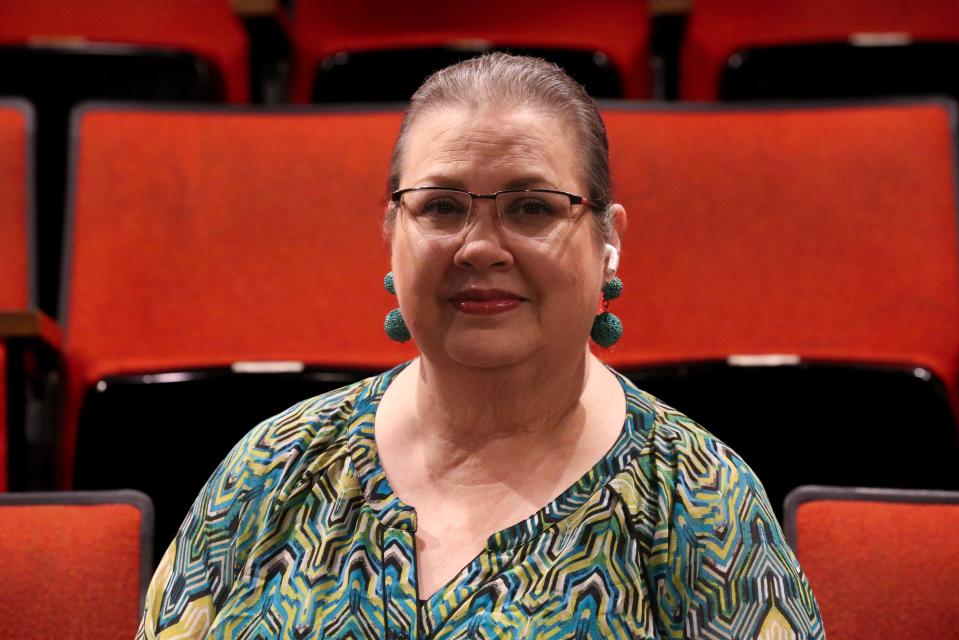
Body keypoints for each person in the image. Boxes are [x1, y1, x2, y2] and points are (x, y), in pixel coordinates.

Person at [137, 53, 823, 639]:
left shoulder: (698, 500)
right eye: (441, 207)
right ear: (390, 231)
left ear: (608, 240)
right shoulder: (272, 470)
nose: (481, 247)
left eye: (532, 207)